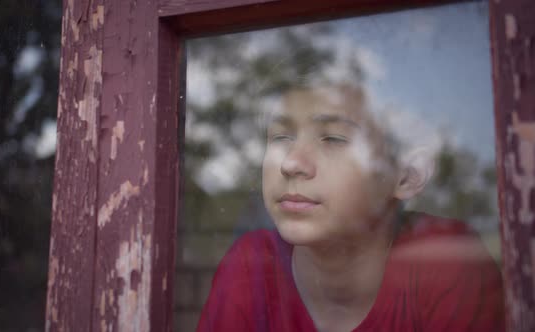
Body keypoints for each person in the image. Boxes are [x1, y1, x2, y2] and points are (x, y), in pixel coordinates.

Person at [196, 82, 504, 332]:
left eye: (332, 138)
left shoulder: (445, 261)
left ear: (406, 175)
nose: (291, 163)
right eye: (281, 136)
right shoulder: (253, 265)